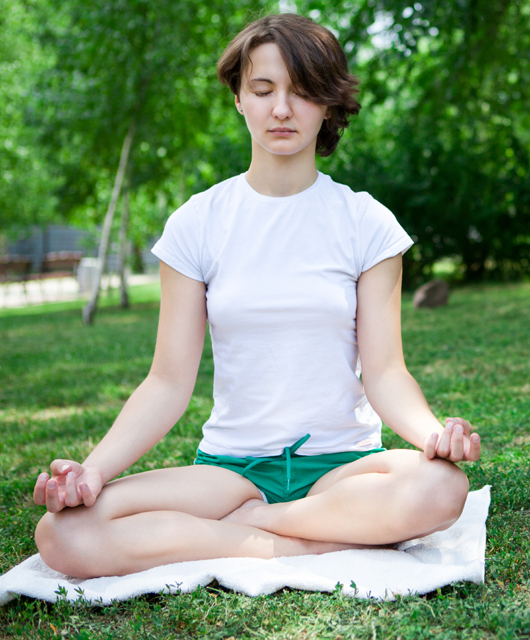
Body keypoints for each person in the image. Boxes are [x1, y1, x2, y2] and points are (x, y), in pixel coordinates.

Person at [33, 13, 481, 580]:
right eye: (263, 90)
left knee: (442, 487)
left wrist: (432, 436)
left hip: (342, 470)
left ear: (328, 104)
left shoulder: (367, 223)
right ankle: (316, 543)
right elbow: (168, 382)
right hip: (229, 472)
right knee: (64, 533)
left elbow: (386, 371)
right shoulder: (197, 223)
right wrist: (92, 473)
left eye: (302, 92)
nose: (281, 110)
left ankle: (262, 526)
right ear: (239, 98)